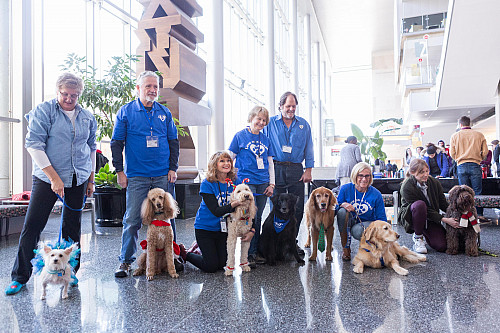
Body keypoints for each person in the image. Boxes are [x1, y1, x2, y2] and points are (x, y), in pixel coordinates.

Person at [5, 73, 97, 295]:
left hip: (78, 178)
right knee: (33, 226)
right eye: (65, 94)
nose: (69, 99)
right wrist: (55, 178)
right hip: (47, 179)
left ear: (79, 95)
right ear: (58, 92)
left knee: (72, 227)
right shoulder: (43, 111)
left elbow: (91, 147)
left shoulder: (87, 116)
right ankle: (20, 276)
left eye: (74, 95)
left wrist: (91, 180)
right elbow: (34, 145)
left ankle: (69, 273)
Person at [111, 71, 179, 278]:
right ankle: (125, 261)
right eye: (148, 86)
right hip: (137, 175)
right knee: (132, 219)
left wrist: (173, 168)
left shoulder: (164, 113)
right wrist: (119, 171)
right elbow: (116, 143)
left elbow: (173, 142)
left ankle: (173, 257)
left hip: (161, 174)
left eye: (155, 86)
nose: (152, 90)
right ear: (138, 88)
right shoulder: (126, 112)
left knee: (168, 217)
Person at [182, 151, 254, 273]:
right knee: (210, 266)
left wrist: (252, 230)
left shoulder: (235, 181)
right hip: (205, 228)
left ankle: (202, 250)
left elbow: (250, 206)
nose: (226, 163)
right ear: (215, 164)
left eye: (228, 161)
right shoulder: (207, 184)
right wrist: (234, 204)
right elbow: (216, 211)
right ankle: (186, 253)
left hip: (223, 230)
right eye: (222, 161)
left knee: (221, 265)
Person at [263, 91, 314, 255]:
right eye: (288, 106)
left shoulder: (303, 125)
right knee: (276, 206)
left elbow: (309, 148)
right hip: (276, 168)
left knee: (297, 208)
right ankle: (276, 243)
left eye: (293, 106)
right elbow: (262, 146)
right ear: (280, 106)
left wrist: (308, 169)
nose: (291, 109)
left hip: (296, 169)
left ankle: (292, 242)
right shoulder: (270, 123)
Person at [228, 106, 275, 267]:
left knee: (257, 217)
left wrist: (272, 184)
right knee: (244, 216)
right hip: (246, 184)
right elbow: (229, 157)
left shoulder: (266, 139)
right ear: (251, 118)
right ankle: (240, 254)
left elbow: (270, 163)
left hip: (263, 182)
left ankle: (252, 253)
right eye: (258, 119)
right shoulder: (240, 136)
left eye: (264, 120)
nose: (261, 122)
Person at [398, 159, 458, 254]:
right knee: (420, 205)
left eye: (427, 171)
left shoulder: (434, 182)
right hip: (413, 218)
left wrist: (455, 214)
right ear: (413, 172)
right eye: (422, 172)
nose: (426, 174)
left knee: (442, 246)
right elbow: (425, 209)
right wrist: (445, 220)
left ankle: (425, 233)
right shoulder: (407, 186)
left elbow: (442, 202)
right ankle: (418, 236)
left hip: (431, 219)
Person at [336, 162, 387, 261]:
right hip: (348, 221)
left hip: (365, 224)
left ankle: (369, 248)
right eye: (360, 175)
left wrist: (383, 235)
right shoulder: (345, 189)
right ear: (355, 175)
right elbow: (334, 208)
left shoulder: (376, 194)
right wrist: (342, 204)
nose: (364, 179)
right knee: (342, 212)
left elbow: (382, 219)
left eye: (367, 176)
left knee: (358, 231)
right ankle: (346, 248)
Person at [449, 116, 488, 218]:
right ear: (469, 123)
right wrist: (479, 158)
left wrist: (458, 159)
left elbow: (452, 153)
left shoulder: (455, 136)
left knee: (463, 192)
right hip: (475, 164)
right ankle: (478, 214)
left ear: (460, 124)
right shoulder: (479, 135)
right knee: (477, 191)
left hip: (461, 165)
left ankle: (466, 214)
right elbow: (485, 152)